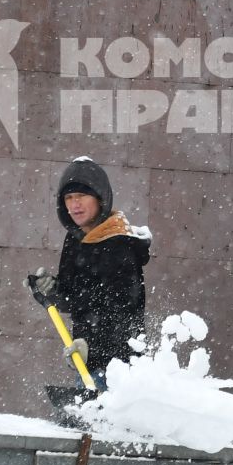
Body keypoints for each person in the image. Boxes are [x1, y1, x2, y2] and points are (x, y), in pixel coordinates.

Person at [27, 157, 150, 388]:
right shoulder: (75, 240)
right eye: (69, 198)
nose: (75, 205)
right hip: (88, 364)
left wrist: (92, 349)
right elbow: (74, 298)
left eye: (82, 196)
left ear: (100, 198)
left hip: (119, 370)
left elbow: (123, 313)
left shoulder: (119, 245)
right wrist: (50, 289)